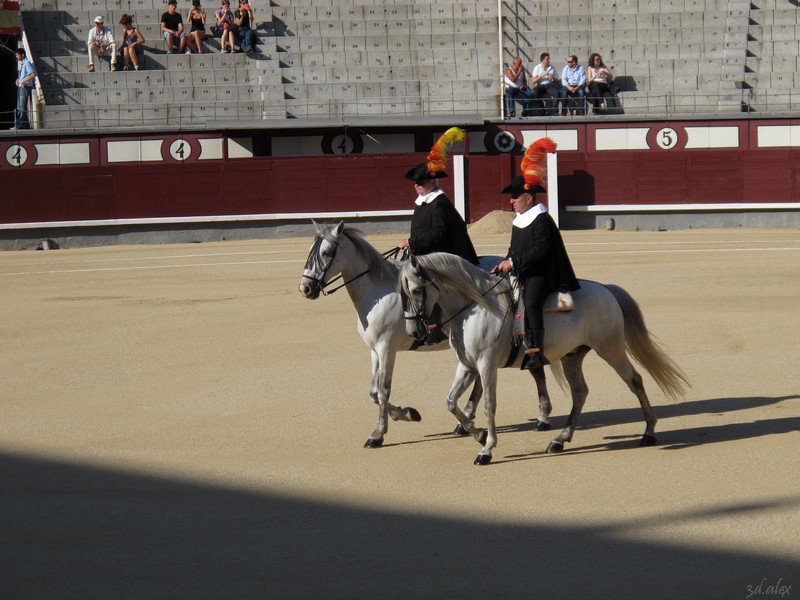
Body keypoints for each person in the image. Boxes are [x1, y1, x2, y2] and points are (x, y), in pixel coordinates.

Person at [491, 138, 580, 371]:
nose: (511, 201)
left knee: (530, 301)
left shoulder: (542, 219)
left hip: (542, 273)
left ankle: (535, 352)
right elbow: (514, 248)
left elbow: (541, 251)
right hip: (522, 270)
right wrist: (504, 262)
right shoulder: (519, 219)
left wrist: (514, 261)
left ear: (528, 198)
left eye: (515, 197)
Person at [399, 127, 479, 265]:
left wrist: (411, 242)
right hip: (426, 254)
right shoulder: (424, 202)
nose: (417, 185)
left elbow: (439, 233)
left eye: (421, 183)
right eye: (416, 182)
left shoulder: (439, 203)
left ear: (432, 184)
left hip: (442, 259)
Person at [13, 48, 36, 130]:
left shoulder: (26, 63)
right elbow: (24, 75)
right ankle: (25, 124)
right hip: (21, 86)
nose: (16, 56)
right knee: (20, 105)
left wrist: (23, 82)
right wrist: (18, 80)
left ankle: (21, 125)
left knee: (21, 106)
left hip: (25, 87)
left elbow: (32, 74)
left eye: (18, 55)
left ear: (22, 55)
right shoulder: (23, 64)